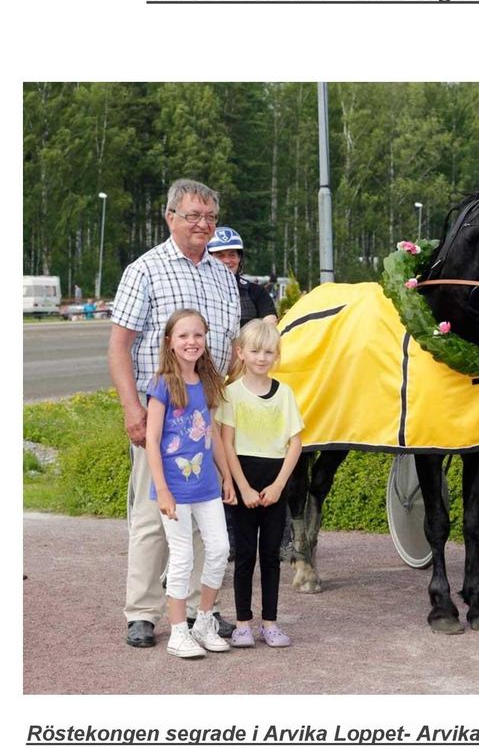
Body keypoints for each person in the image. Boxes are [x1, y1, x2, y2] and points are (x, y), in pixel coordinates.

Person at [108, 178, 241, 648]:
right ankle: (142, 611)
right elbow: (119, 346)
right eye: (193, 216)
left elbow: (229, 349)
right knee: (153, 516)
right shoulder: (145, 270)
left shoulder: (225, 276)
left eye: (210, 217)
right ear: (170, 217)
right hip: (159, 419)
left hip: (207, 419)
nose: (203, 225)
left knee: (209, 519)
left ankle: (205, 612)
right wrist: (132, 409)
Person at [145, 309, 235, 659]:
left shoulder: (209, 382)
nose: (191, 342)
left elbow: (211, 432)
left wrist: (226, 475)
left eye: (197, 335)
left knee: (219, 549)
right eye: (183, 336)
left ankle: (204, 620)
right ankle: (178, 632)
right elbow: (152, 440)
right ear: (170, 341)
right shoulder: (162, 385)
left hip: (206, 485)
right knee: (181, 557)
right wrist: (163, 489)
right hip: (174, 489)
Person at [217, 319, 304, 648]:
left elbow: (295, 443)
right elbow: (226, 443)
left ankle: (270, 622)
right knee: (244, 556)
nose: (261, 357)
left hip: (274, 481)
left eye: (268, 352)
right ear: (241, 352)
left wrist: (280, 485)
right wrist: (243, 488)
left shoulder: (285, 394)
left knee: (271, 555)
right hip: (245, 481)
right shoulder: (231, 393)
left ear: (276, 355)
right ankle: (242, 623)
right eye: (254, 351)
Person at [208, 226, 278, 328]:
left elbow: (270, 324)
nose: (227, 260)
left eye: (232, 255)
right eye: (220, 256)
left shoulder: (257, 292)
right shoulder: (199, 290)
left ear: (239, 258)